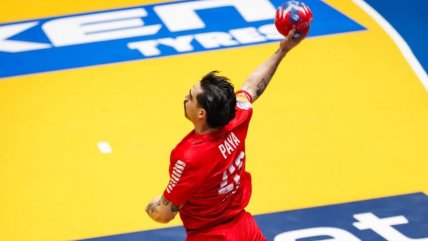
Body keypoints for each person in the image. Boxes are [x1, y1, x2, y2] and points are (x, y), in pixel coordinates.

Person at [145, 29, 306, 241]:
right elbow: (252, 87)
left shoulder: (188, 157)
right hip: (245, 229)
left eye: (191, 97)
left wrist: (152, 206)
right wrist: (282, 50)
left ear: (202, 113)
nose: (186, 98)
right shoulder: (237, 116)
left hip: (211, 236)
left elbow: (164, 214)